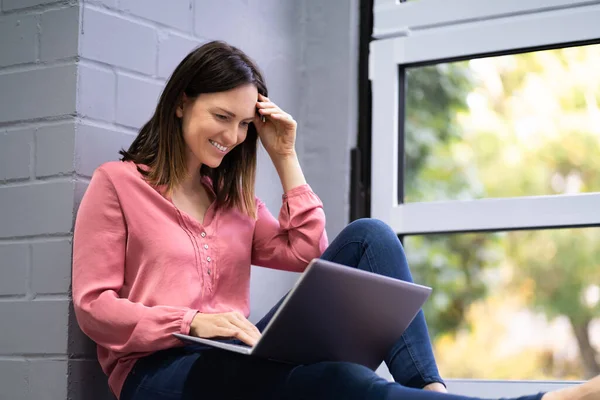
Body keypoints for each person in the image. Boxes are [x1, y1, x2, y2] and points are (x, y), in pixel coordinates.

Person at [71, 40, 600, 400]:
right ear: (183, 103)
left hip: (238, 353)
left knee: (371, 236)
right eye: (221, 118)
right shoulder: (117, 184)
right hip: (159, 374)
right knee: (337, 379)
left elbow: (306, 251)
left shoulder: (231, 201)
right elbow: (94, 308)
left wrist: (284, 156)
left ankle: (428, 391)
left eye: (243, 125)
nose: (232, 137)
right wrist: (188, 322)